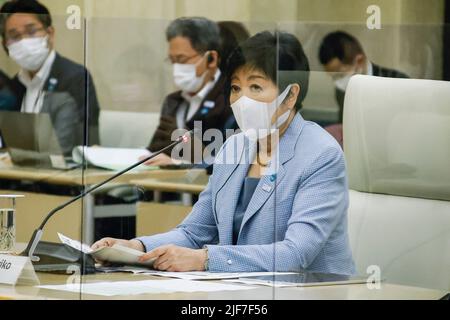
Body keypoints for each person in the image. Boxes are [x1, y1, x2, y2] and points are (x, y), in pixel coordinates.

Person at [93, 31, 355, 275]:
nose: (242, 100)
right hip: (242, 290)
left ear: (290, 96)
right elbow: (194, 233)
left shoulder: (321, 155)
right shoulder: (234, 147)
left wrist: (205, 259)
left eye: (256, 87)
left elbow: (295, 254)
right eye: (235, 88)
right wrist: (135, 247)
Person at [0, 0, 100, 154]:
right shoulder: (13, 86)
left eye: (32, 31)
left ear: (50, 33)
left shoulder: (75, 78)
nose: (24, 41)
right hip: (15, 174)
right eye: (14, 36)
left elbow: (75, 143)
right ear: (5, 44)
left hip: (62, 173)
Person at [144, 17, 236, 166]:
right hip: (165, 186)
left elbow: (228, 163)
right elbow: (156, 150)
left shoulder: (230, 100)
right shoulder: (173, 102)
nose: (176, 68)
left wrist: (178, 163)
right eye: (172, 61)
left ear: (211, 59)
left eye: (182, 59)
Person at [319, 31, 409, 123]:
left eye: (340, 75)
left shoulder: (398, 82)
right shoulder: (341, 90)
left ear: (359, 61)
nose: (337, 82)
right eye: (334, 77)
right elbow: (345, 125)